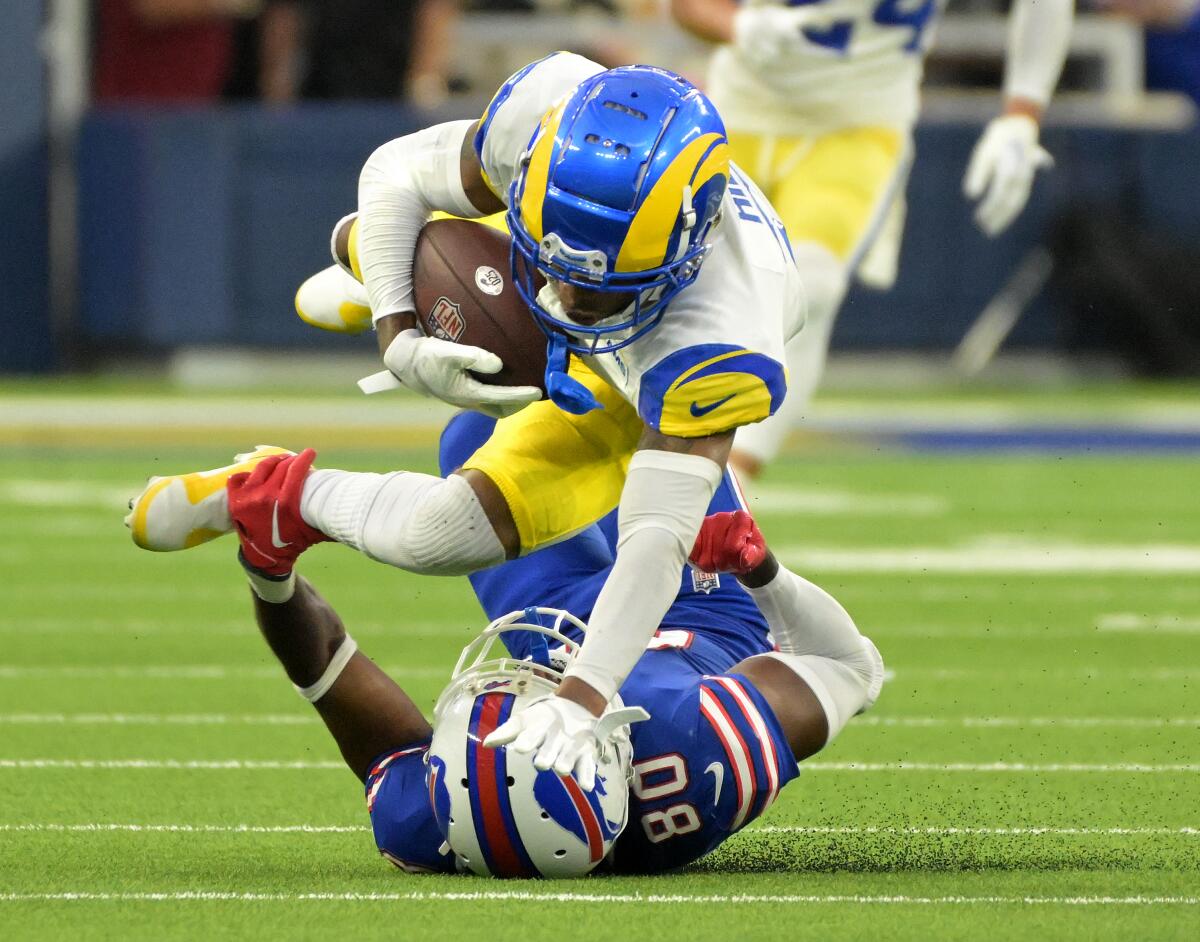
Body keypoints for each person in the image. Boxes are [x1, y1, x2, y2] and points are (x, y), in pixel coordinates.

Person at [130, 54, 806, 791]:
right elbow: (396, 171)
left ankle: (268, 495)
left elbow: (654, 544)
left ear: (683, 251)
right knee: (445, 252)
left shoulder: (722, 347)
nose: (565, 298)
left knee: (437, 537)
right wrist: (398, 332)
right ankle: (380, 265)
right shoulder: (551, 114)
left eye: (596, 289)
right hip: (573, 281)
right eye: (556, 267)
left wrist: (581, 700)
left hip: (632, 378)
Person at [192, 410, 882, 875]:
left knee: (473, 434)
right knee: (643, 413)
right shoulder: (699, 753)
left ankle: (444, 298)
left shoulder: (437, 819)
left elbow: (324, 663)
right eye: (527, 692)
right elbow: (854, 665)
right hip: (702, 611)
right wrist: (761, 571)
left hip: (552, 613)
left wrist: (269, 572)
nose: (513, 678)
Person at [669, 0, 1076, 480]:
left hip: (859, 127)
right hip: (739, 115)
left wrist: (1022, 114)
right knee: (679, 286)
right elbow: (686, 7)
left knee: (810, 288)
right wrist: (740, 26)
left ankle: (727, 484)